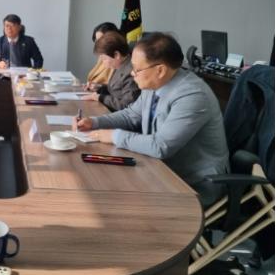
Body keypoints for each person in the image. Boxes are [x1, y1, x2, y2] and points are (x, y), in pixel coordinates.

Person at [74, 32, 229, 206]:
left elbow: (161, 146)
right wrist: (94, 122)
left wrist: (114, 136)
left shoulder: (192, 95)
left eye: (137, 69)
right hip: (159, 170)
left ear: (160, 70)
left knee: (117, 202)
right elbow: (131, 115)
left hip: (193, 183)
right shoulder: (154, 84)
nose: (132, 73)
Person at [80, 31, 140, 111]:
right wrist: (99, 88)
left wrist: (100, 97)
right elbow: (115, 90)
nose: (102, 62)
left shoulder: (131, 72)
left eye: (104, 58)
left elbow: (126, 106)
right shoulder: (119, 66)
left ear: (116, 55)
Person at [85, 22, 120, 90]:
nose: (98, 44)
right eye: (97, 41)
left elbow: (115, 88)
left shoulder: (116, 58)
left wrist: (100, 88)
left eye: (101, 40)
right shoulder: (102, 56)